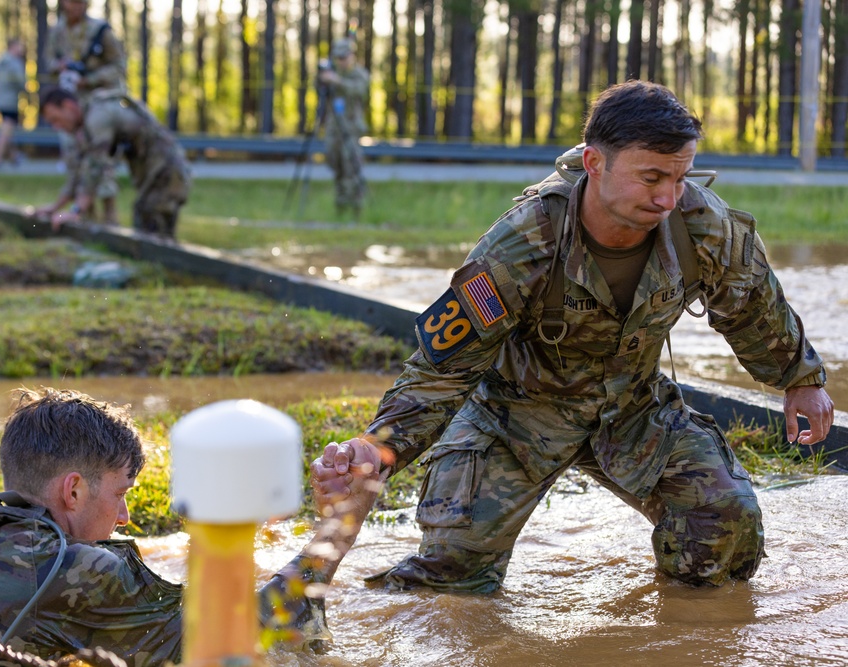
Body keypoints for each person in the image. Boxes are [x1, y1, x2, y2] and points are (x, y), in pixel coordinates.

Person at [306, 80, 835, 596]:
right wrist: (378, 448)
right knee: (452, 576)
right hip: (516, 415)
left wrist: (799, 378)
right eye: (651, 178)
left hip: (634, 409)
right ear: (594, 163)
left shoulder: (703, 225)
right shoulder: (523, 242)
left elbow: (752, 306)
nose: (668, 198)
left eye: (680, 178)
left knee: (725, 528)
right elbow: (442, 369)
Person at [0, 387, 352, 665]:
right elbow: (242, 638)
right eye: (122, 494)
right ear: (73, 490)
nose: (125, 517)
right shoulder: (78, 568)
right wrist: (339, 526)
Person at [38, 87, 192, 239]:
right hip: (154, 168)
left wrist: (75, 211)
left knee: (152, 221)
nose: (56, 127)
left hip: (166, 168)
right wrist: (55, 209)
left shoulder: (98, 116)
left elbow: (95, 167)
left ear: (68, 106)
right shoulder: (87, 124)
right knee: (147, 221)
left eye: (55, 120)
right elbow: (80, 172)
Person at [38, 0, 127, 226]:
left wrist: (89, 78)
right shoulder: (57, 31)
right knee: (75, 161)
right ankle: (83, 218)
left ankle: (109, 222)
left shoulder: (100, 31)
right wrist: (60, 67)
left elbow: (118, 66)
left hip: (96, 105)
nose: (75, 6)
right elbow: (49, 61)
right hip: (69, 106)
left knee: (99, 163)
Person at [318, 38, 369, 218]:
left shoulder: (358, 75)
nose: (341, 61)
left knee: (351, 166)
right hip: (334, 128)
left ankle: (356, 207)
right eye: (338, 58)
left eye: (343, 57)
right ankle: (340, 206)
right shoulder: (331, 74)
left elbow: (360, 91)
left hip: (351, 127)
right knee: (335, 164)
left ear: (351, 56)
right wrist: (324, 80)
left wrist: (337, 81)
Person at [0, 38, 27, 169]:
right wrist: (25, 90)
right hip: (10, 100)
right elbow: (20, 81)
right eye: (19, 46)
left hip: (0, 99)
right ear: (13, 47)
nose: (21, 50)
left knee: (8, 129)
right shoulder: (15, 63)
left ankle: (14, 156)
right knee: (6, 130)